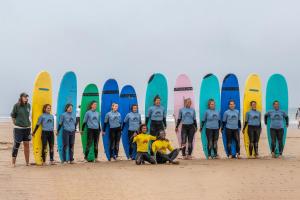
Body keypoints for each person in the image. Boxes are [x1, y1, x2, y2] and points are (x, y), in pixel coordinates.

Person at [10, 93, 31, 167]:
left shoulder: (28, 105)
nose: (26, 98)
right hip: (18, 129)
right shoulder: (17, 105)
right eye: (24, 97)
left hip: (27, 128)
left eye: (26, 97)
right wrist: (15, 123)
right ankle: (13, 163)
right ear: (21, 97)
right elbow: (13, 115)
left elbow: (27, 115)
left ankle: (27, 162)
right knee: (16, 145)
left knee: (27, 145)